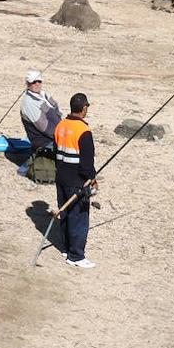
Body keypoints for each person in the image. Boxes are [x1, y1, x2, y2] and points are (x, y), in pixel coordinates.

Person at [53, 93, 97, 269]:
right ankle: (76, 256)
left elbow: (56, 151)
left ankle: (66, 248)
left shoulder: (60, 125)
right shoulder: (84, 131)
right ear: (84, 108)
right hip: (77, 181)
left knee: (66, 214)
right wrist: (92, 179)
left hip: (61, 177)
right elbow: (87, 162)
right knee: (79, 218)